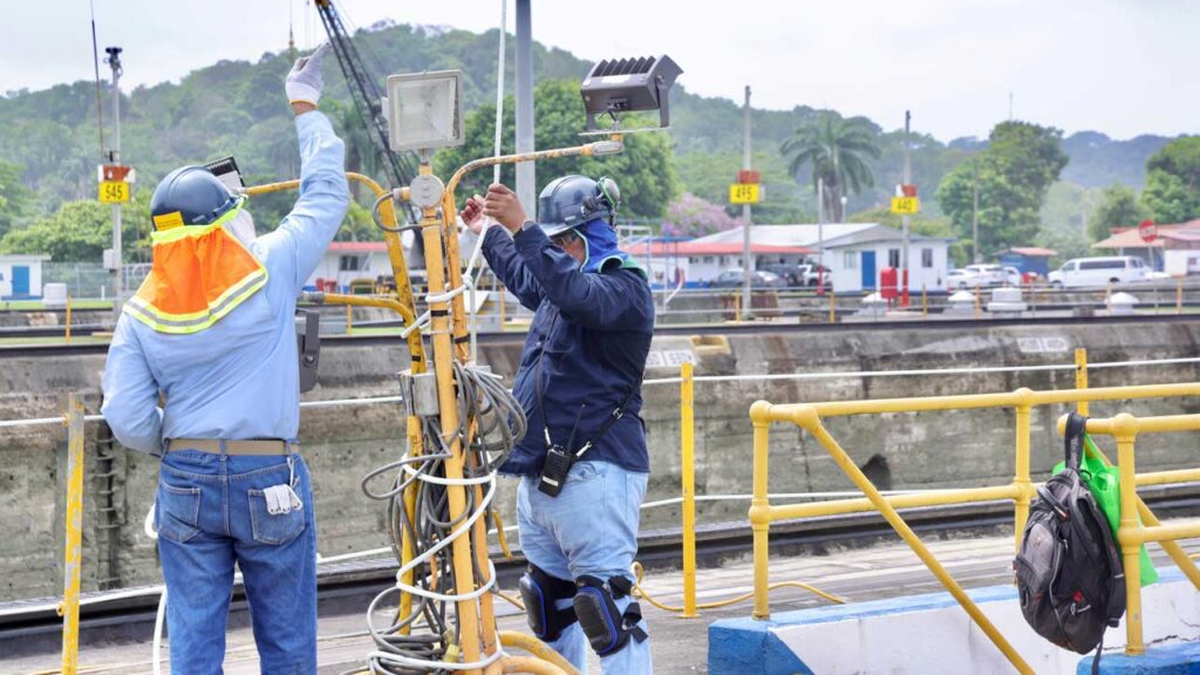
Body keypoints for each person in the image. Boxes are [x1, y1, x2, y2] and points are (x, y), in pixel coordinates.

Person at [101, 43, 348, 673]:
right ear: (226, 222)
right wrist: (305, 108)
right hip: (270, 478)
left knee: (193, 642)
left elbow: (126, 418)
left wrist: (177, 445)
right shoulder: (271, 267)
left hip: (185, 479)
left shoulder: (139, 313)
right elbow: (325, 196)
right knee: (288, 643)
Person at [462, 176, 655, 674]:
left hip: (597, 471)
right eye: (551, 241)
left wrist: (522, 226)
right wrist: (487, 232)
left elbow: (571, 289)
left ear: (591, 235)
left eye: (563, 239)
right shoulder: (562, 285)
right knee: (549, 605)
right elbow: (535, 279)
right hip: (542, 473)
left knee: (606, 609)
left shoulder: (623, 287)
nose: (556, 248)